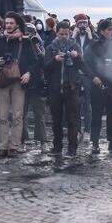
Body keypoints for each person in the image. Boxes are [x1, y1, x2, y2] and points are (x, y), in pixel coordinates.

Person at [0, 12, 37, 157]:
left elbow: (34, 61)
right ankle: (2, 146)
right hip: (2, 82)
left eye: (11, 23)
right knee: (2, 116)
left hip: (19, 82)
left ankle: (14, 146)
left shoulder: (25, 41)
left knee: (17, 116)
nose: (8, 26)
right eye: (6, 23)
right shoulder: (0, 41)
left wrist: (28, 73)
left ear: (17, 25)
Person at [44, 20, 87, 155]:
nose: (63, 37)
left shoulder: (75, 46)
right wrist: (55, 60)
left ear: (69, 33)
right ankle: (57, 147)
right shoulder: (51, 47)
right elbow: (45, 68)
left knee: (72, 120)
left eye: (66, 34)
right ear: (57, 33)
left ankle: (72, 148)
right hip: (55, 88)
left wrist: (77, 57)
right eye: (61, 34)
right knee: (56, 120)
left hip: (71, 87)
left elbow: (83, 66)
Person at [86, 19, 112, 153]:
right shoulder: (94, 46)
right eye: (109, 30)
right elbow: (86, 65)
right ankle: (95, 143)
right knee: (97, 115)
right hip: (98, 85)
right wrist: (93, 77)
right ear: (102, 31)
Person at [73, 14, 96, 140]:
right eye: (80, 23)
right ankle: (77, 130)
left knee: (87, 104)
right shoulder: (72, 36)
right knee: (75, 104)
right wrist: (73, 36)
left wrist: (91, 36)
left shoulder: (92, 37)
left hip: (88, 75)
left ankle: (87, 130)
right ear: (76, 24)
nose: (82, 25)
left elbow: (97, 51)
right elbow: (66, 48)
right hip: (75, 74)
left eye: (84, 23)